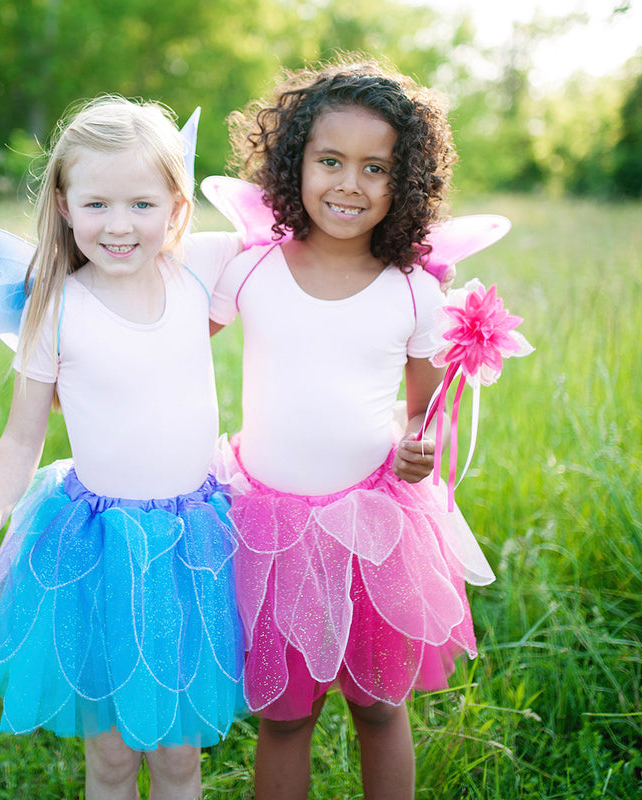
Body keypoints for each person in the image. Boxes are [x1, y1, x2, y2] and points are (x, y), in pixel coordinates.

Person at [0, 95, 246, 800]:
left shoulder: (201, 266)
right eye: (98, 204)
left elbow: (293, 247)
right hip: (98, 547)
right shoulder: (55, 308)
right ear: (64, 203)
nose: (118, 225)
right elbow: (23, 435)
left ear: (175, 205)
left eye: (142, 204)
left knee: (177, 759)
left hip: (191, 541)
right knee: (109, 760)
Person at [208, 57, 497, 799]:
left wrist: (419, 448)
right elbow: (174, 355)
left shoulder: (412, 292)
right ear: (292, 161)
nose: (349, 184)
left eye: (376, 168)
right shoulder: (250, 270)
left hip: (373, 525)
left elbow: (423, 409)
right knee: (284, 716)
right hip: (266, 522)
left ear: (403, 185)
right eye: (330, 160)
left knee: (378, 704)